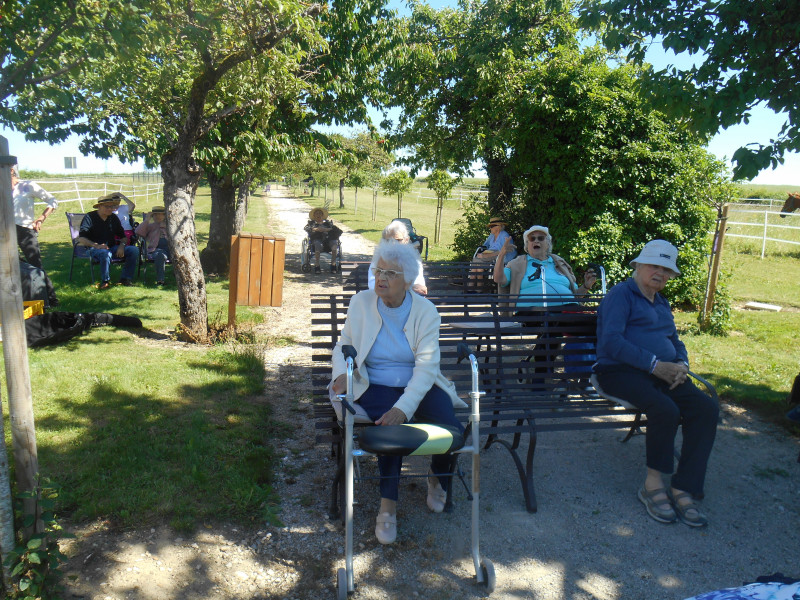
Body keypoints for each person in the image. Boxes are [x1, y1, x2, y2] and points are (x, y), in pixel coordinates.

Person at [330, 242, 466, 545]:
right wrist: (342, 373)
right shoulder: (361, 302)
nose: (381, 278)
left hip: (419, 382)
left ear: (407, 280)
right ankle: (387, 507)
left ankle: (436, 477)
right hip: (373, 382)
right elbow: (344, 344)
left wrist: (404, 406)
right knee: (390, 429)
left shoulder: (426, 312)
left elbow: (427, 367)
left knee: (453, 429)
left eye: (390, 273)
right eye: (378, 270)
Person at [594, 240, 719, 527]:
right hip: (618, 372)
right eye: (654, 266)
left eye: (666, 269)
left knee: (706, 408)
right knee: (665, 409)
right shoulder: (621, 295)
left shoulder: (661, 303)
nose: (660, 273)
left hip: (661, 372)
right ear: (638, 265)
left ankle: (683, 486)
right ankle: (652, 485)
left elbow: (674, 341)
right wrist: (654, 365)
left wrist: (682, 365)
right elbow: (611, 342)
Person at [493, 225, 597, 380]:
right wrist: (501, 255)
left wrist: (586, 286)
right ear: (527, 244)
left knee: (595, 322)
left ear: (548, 243)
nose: (536, 241)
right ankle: (557, 375)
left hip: (566, 311)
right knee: (557, 320)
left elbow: (576, 296)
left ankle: (585, 373)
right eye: (532, 238)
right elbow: (499, 279)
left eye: (540, 238)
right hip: (532, 311)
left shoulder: (559, 264)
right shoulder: (518, 263)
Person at [10, 166, 60, 306]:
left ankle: (50, 298)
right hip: (6, 231)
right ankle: (21, 297)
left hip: (25, 229)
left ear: (11, 171)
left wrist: (41, 218)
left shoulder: (27, 185)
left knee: (35, 264)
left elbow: (52, 201)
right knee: (11, 263)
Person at [77, 194, 139, 289]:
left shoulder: (113, 218)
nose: (111, 209)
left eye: (112, 206)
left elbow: (123, 237)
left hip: (112, 247)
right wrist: (96, 245)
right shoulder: (90, 217)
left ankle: (125, 279)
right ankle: (105, 281)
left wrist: (122, 246)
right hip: (93, 249)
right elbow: (81, 238)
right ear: (99, 207)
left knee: (134, 250)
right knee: (105, 253)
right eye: (107, 206)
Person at [367, 221, 428, 295]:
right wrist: (409, 287)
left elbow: (420, 288)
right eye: (389, 240)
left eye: (398, 240)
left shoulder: (414, 261)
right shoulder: (378, 260)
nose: (393, 244)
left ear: (406, 240)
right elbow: (373, 286)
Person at [135, 206, 170, 285]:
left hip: (170, 249)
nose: (157, 216)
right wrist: (147, 220)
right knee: (160, 255)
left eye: (160, 214)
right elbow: (138, 232)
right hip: (155, 249)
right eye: (155, 214)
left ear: (164, 216)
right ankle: (160, 280)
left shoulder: (170, 225)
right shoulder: (150, 225)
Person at [304, 207, 341, 273]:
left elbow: (337, 230)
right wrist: (315, 229)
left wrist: (326, 229)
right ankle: (317, 265)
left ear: (322, 215)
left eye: (320, 213)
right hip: (317, 239)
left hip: (328, 239)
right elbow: (306, 228)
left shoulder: (328, 224)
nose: (318, 215)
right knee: (318, 244)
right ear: (314, 216)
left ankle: (333, 265)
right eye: (317, 214)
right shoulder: (312, 223)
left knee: (334, 243)